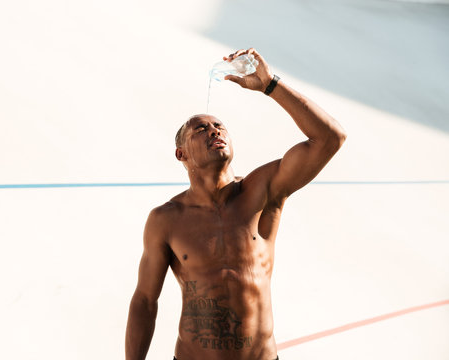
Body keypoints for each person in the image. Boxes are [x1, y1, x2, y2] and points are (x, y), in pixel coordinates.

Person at [125, 48, 347, 360]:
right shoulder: (166, 219)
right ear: (181, 154)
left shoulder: (262, 191)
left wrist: (270, 85)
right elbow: (145, 300)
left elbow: (330, 138)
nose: (213, 130)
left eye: (218, 126)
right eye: (200, 129)